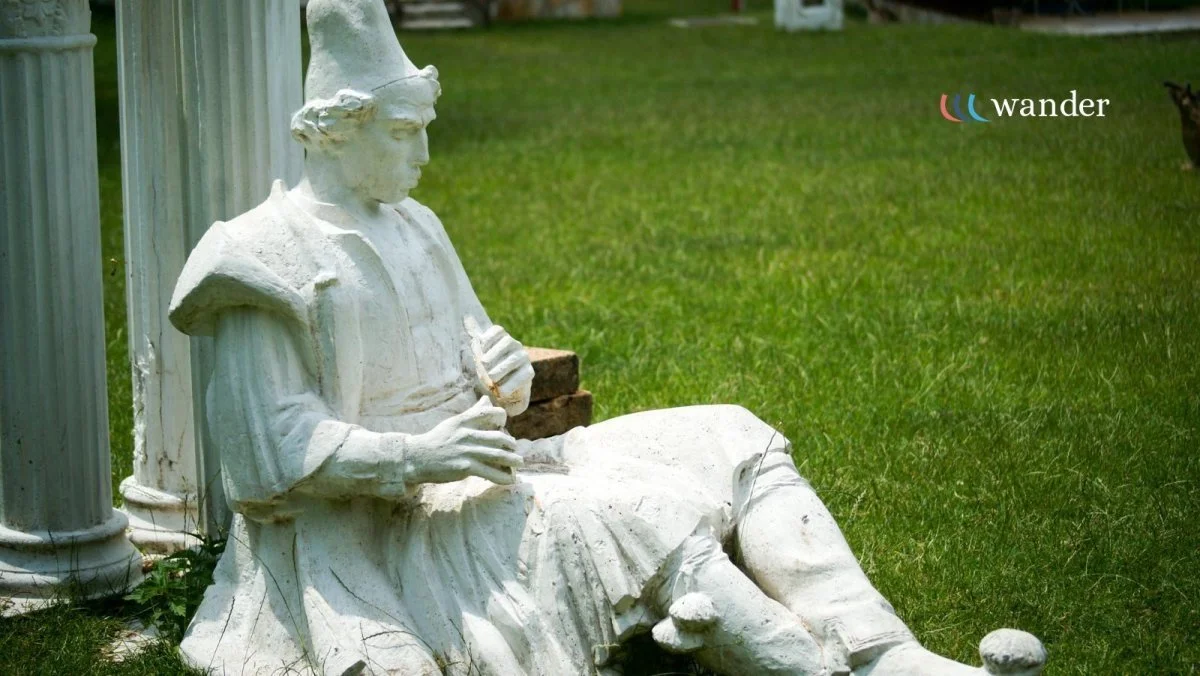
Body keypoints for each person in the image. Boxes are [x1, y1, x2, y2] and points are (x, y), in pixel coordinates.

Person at [169, 1, 1045, 675]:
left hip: (491, 464)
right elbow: (266, 458)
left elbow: (480, 357)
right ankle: (820, 665)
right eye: (405, 132)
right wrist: (419, 457)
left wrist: (502, 374)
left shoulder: (416, 226)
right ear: (337, 128)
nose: (425, 151)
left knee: (734, 434)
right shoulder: (264, 261)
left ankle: (881, 646)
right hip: (392, 522)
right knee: (644, 517)